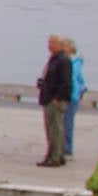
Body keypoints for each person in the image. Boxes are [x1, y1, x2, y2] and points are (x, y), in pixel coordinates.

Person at [36, 34, 74, 166]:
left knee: (55, 130)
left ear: (60, 44)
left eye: (53, 42)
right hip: (48, 97)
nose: (50, 45)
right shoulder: (53, 59)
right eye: (49, 42)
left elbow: (66, 82)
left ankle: (55, 157)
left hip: (55, 100)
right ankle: (54, 154)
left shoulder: (63, 60)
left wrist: (58, 98)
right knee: (51, 129)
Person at [62, 38, 86, 157]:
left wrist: (82, 88)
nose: (63, 47)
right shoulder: (62, 60)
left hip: (72, 96)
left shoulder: (75, 62)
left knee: (68, 122)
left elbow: (79, 78)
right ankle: (62, 146)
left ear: (71, 48)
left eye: (66, 45)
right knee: (61, 122)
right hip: (63, 95)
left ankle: (67, 148)